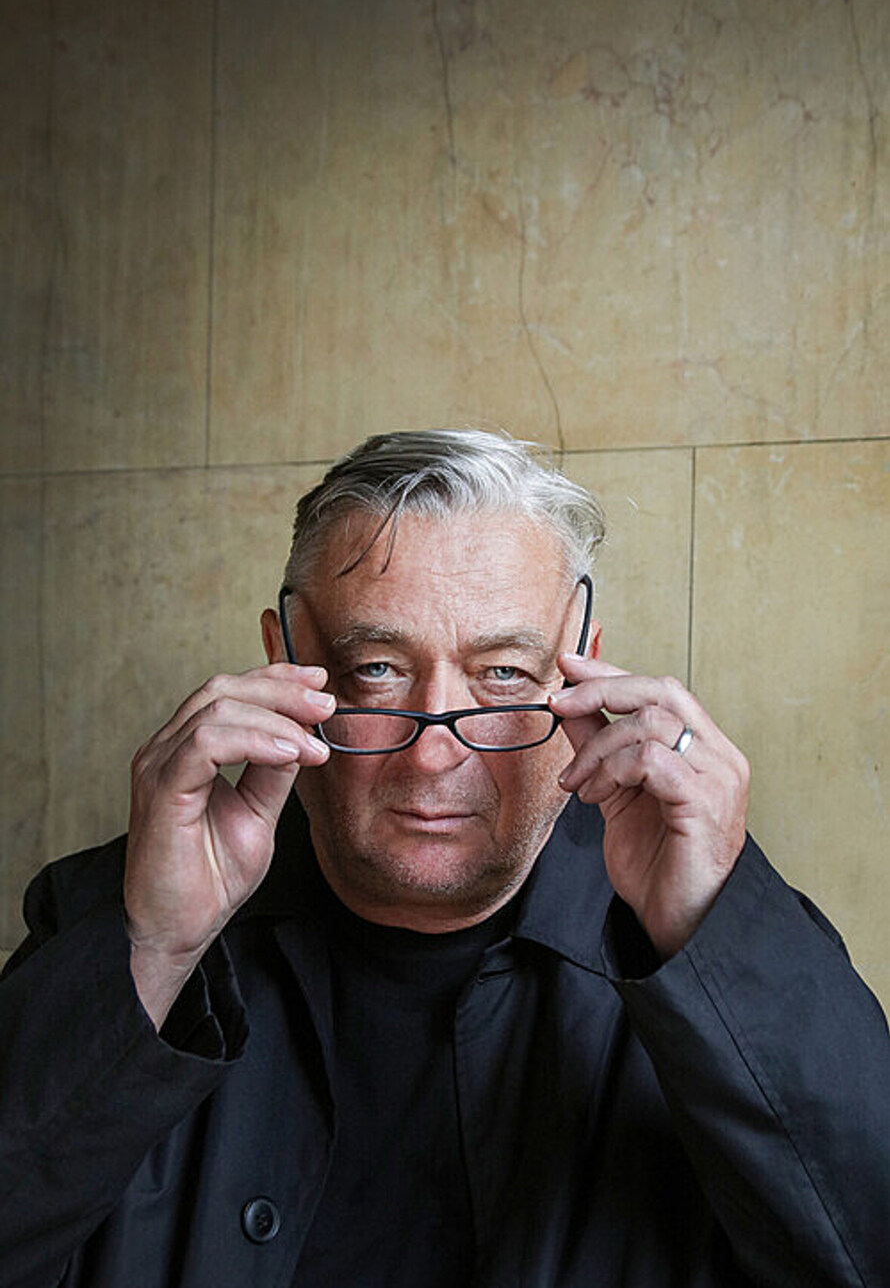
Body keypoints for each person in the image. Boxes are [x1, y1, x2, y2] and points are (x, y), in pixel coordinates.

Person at [1, 428, 888, 1288]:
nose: (434, 755)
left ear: (581, 671)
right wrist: (151, 949)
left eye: (502, 674)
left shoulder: (701, 939)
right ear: (285, 658)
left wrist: (712, 934)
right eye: (378, 669)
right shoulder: (117, 911)